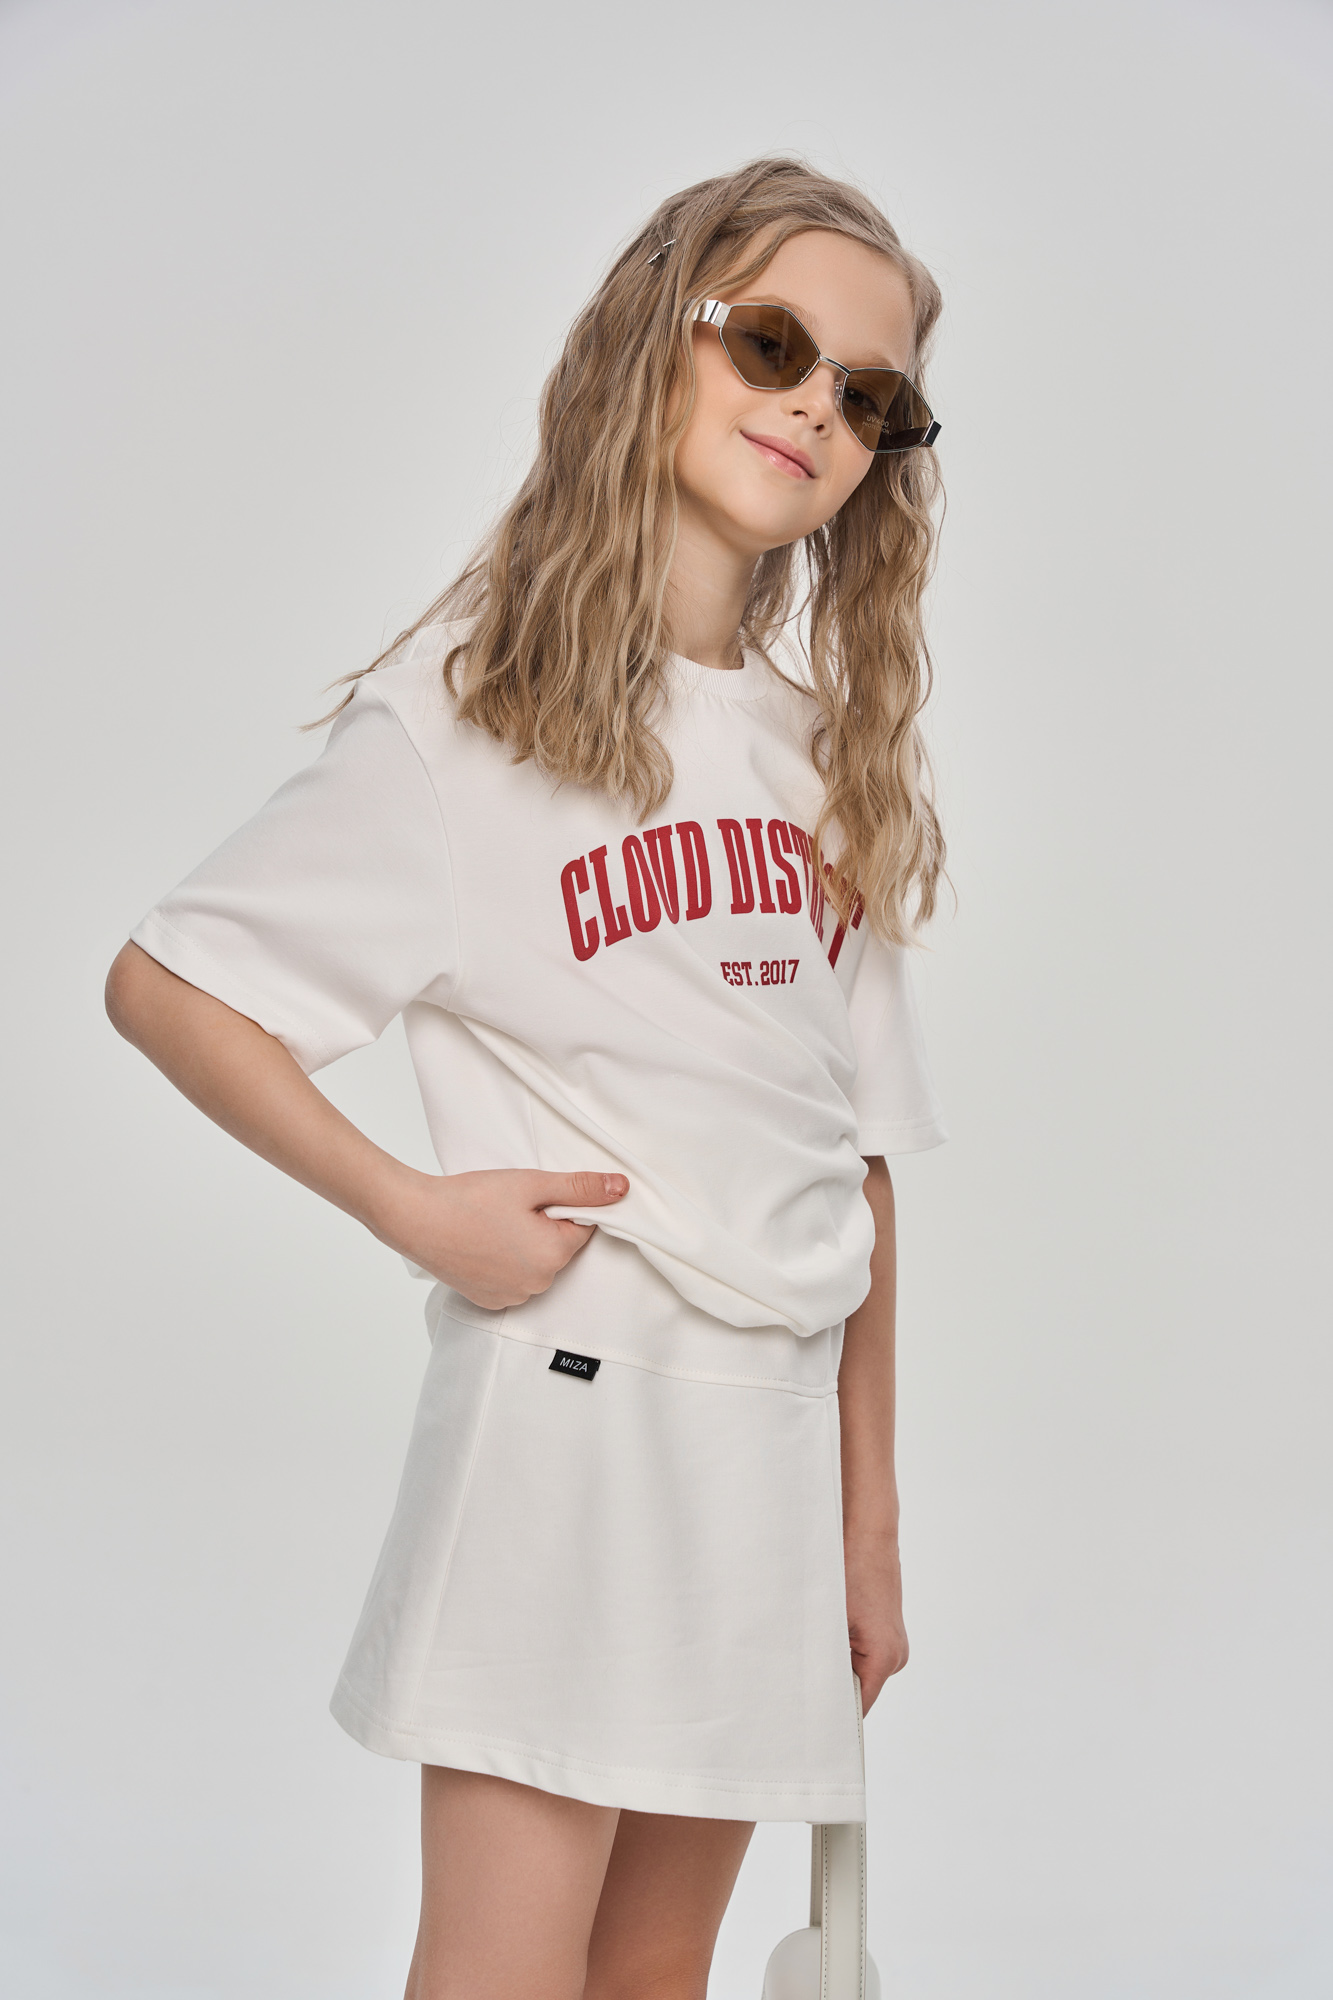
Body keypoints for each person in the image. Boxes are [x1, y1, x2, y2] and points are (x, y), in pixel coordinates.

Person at [105, 155, 950, 2000]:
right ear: (657, 339)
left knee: (654, 1978)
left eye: (869, 394)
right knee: (502, 1972)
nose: (816, 406)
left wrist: (867, 1523)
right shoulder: (470, 717)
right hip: (569, 1418)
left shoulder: (827, 761)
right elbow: (169, 984)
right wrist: (410, 1208)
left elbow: (861, 1162)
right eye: (773, 346)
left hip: (769, 1436)